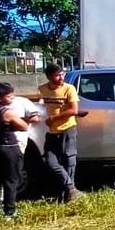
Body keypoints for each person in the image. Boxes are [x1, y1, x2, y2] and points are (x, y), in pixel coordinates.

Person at [0, 83, 41, 219]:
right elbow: (24, 126)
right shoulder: (6, 112)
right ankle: (10, 211)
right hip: (9, 147)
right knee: (11, 180)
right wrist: (22, 119)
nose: (13, 98)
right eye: (9, 96)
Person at [38, 63, 83, 202]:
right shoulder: (43, 88)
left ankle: (68, 193)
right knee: (51, 161)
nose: (61, 77)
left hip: (68, 128)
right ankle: (71, 188)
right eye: (57, 75)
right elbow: (42, 101)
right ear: (49, 76)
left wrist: (53, 118)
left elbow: (74, 110)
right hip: (52, 131)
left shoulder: (69, 88)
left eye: (62, 74)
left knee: (69, 159)